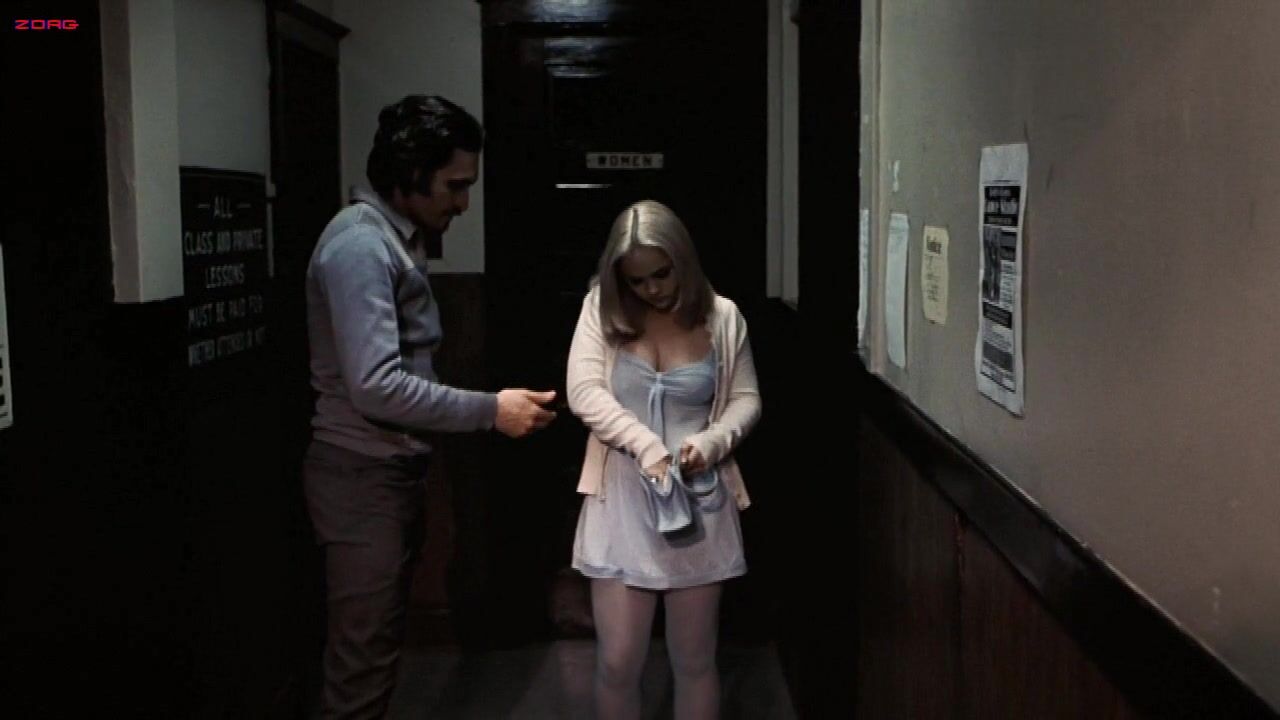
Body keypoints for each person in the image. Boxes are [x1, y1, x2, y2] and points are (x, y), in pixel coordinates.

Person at [303, 94, 556, 719]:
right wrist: (492, 410)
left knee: (373, 654)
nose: (462, 203)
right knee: (360, 665)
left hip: (383, 472)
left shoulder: (392, 240)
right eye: (455, 185)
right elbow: (376, 386)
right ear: (412, 171)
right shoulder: (361, 247)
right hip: (361, 477)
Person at [566, 199, 762, 719]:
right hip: (622, 498)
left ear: (683, 260)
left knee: (694, 661)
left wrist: (711, 443)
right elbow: (583, 392)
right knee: (618, 662)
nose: (651, 289)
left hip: (699, 500)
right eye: (637, 281)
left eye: (661, 273)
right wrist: (645, 444)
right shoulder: (600, 309)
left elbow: (747, 399)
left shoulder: (723, 317)